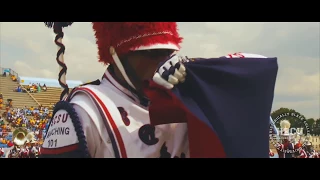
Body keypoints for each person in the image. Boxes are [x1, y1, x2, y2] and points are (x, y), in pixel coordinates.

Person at [41, 22, 278, 158]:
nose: (162, 63)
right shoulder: (84, 112)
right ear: (116, 55)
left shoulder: (186, 92)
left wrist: (197, 71)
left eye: (168, 54)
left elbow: (260, 69)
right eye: (151, 54)